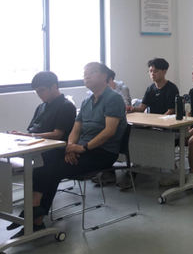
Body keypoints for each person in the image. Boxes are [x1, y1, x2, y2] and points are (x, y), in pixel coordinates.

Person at [11, 63, 126, 237]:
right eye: (85, 73)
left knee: (53, 168)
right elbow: (76, 129)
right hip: (82, 149)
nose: (86, 76)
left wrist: (83, 148)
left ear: (105, 76)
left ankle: (35, 217)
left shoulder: (113, 98)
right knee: (46, 159)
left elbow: (109, 131)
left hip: (103, 152)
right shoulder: (87, 101)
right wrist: (71, 147)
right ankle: (35, 213)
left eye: (92, 73)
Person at [11, 71, 76, 141]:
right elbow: (31, 129)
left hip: (53, 145)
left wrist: (29, 136)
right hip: (36, 142)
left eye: (42, 90)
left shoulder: (66, 106)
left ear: (54, 87)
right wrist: (22, 136)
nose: (39, 94)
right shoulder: (41, 107)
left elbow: (57, 135)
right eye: (37, 92)